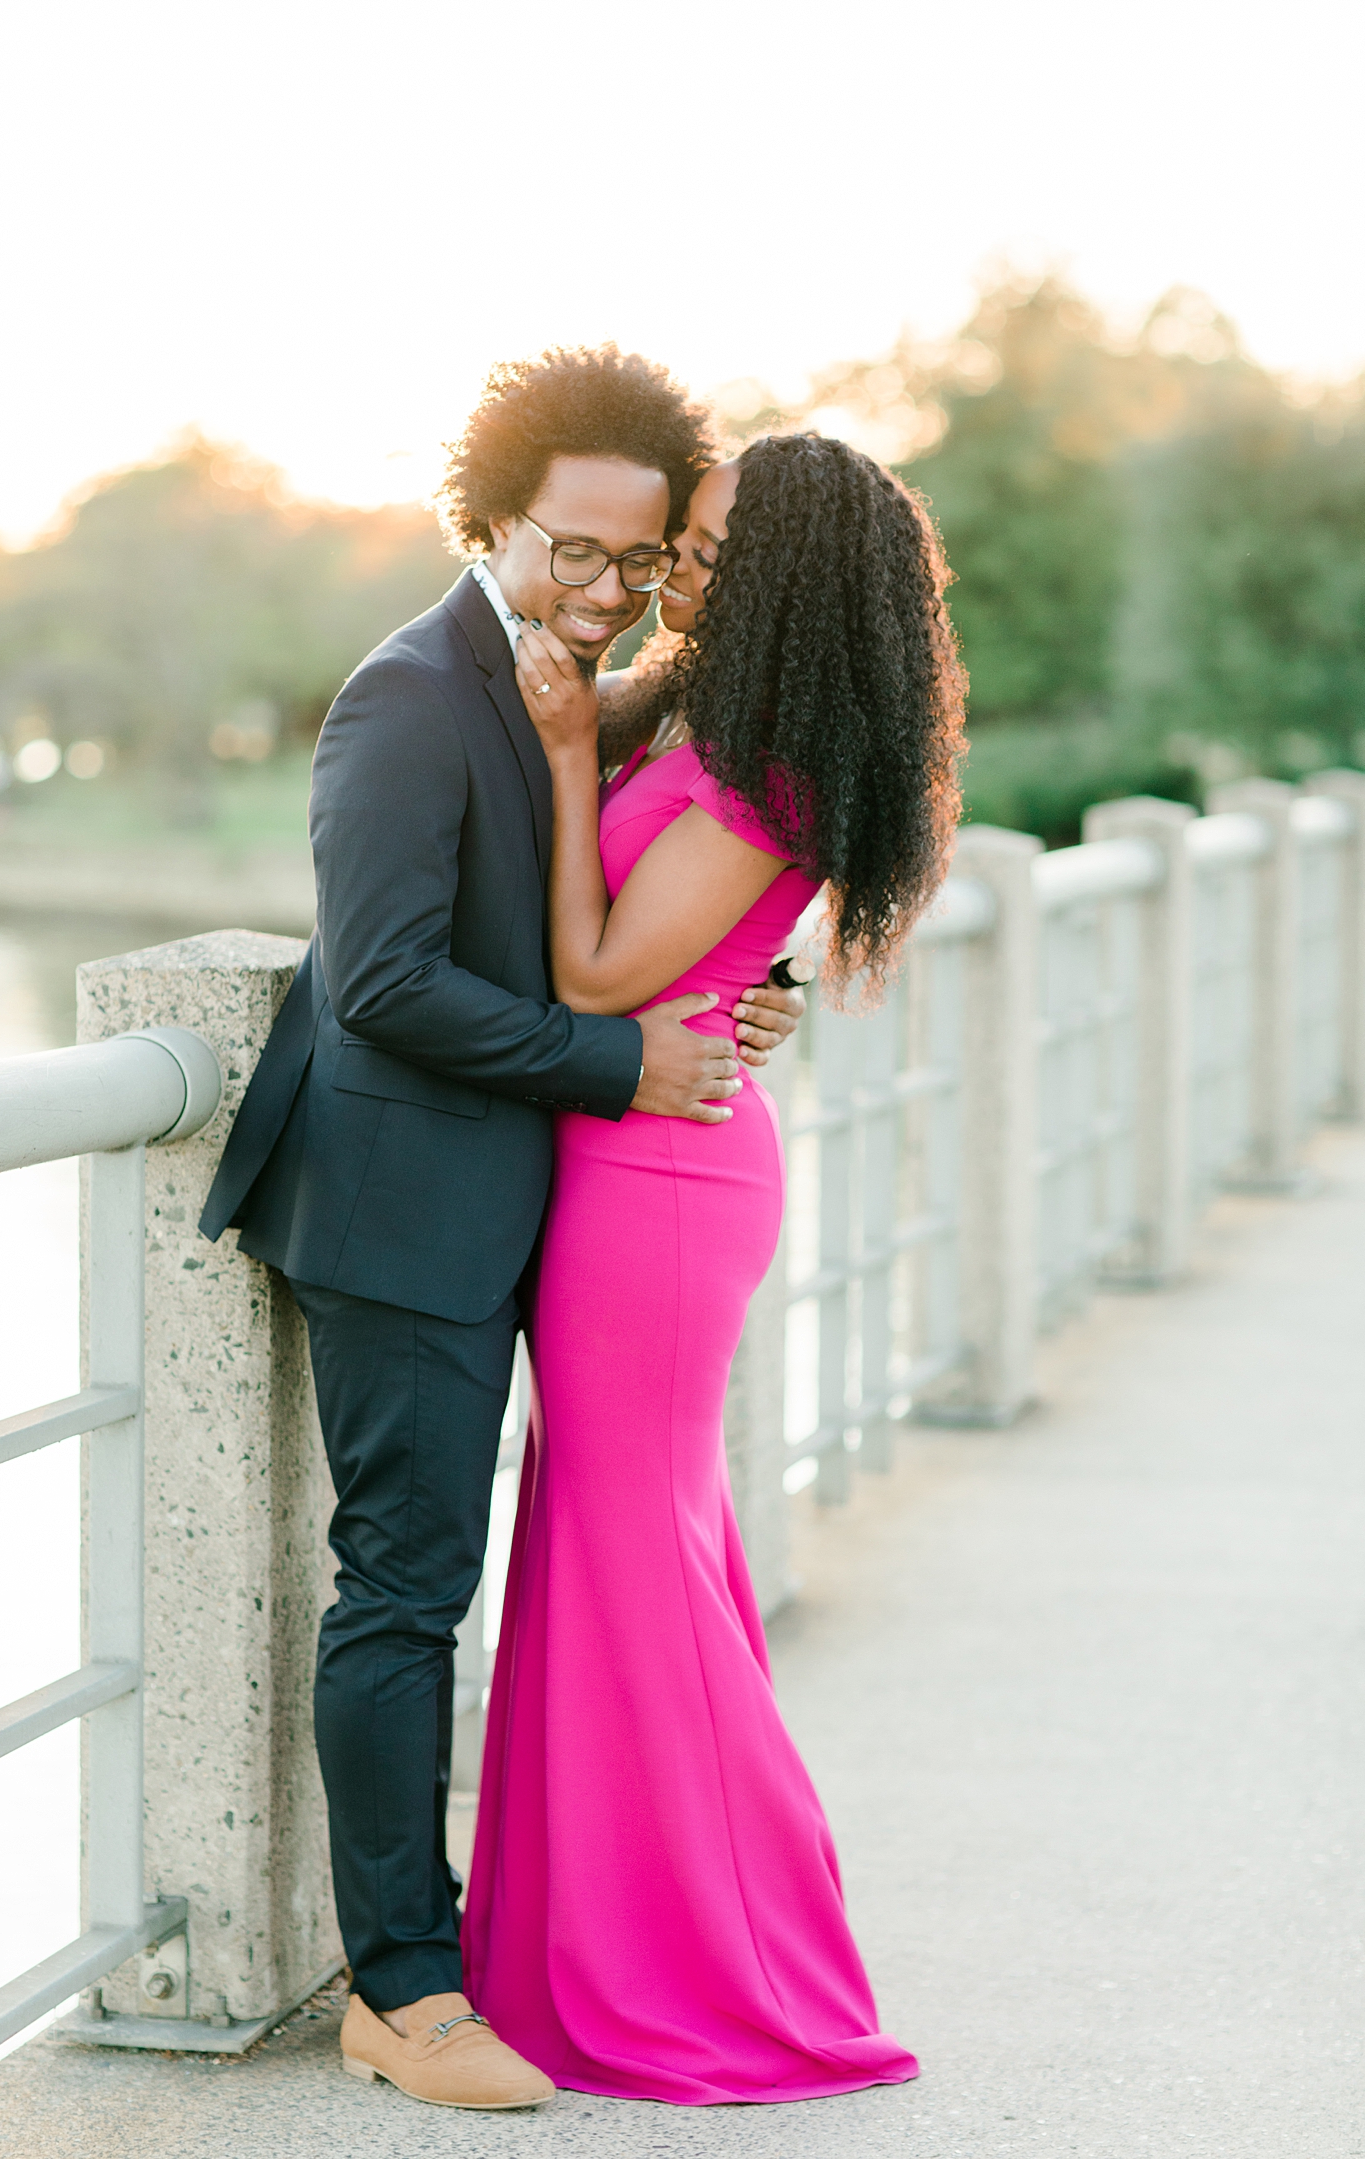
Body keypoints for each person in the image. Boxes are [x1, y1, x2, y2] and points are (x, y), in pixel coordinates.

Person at [196, 348, 803, 2110]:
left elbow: (594, 904)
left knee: (469, 1579)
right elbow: (382, 986)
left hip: (529, 1197)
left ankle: (497, 1946)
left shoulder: (569, 689)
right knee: (405, 1587)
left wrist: (734, 996)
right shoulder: (410, 692)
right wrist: (624, 1060)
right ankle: (400, 1993)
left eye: (641, 562)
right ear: (490, 519)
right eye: (574, 553)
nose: (609, 594)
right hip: (398, 1203)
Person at [461, 432, 967, 2103]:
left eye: (710, 541)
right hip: (632, 1153)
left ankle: (737, 1967)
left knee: (642, 1567)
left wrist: (549, 757)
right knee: (611, 1551)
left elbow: (594, 969)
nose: (679, 557)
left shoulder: (774, 773)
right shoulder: (708, 718)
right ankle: (587, 1945)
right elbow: (669, 949)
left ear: (794, 574)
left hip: (662, 1179)